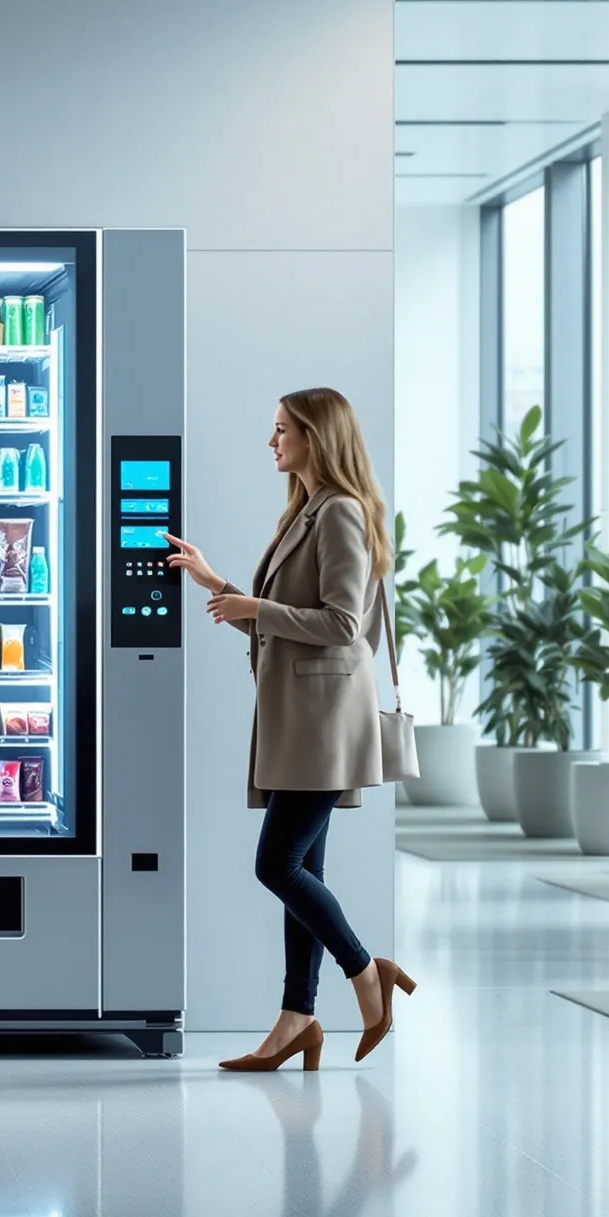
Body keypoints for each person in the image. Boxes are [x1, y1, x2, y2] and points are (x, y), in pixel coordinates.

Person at [164, 387, 415, 1073]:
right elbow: (279, 622)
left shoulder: (339, 512)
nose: (271, 442)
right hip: (300, 719)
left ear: (315, 437)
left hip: (323, 725)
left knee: (276, 866)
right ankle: (297, 1018)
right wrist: (216, 583)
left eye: (282, 430)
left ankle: (366, 972)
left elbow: (342, 625)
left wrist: (255, 607)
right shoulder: (307, 510)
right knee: (304, 869)